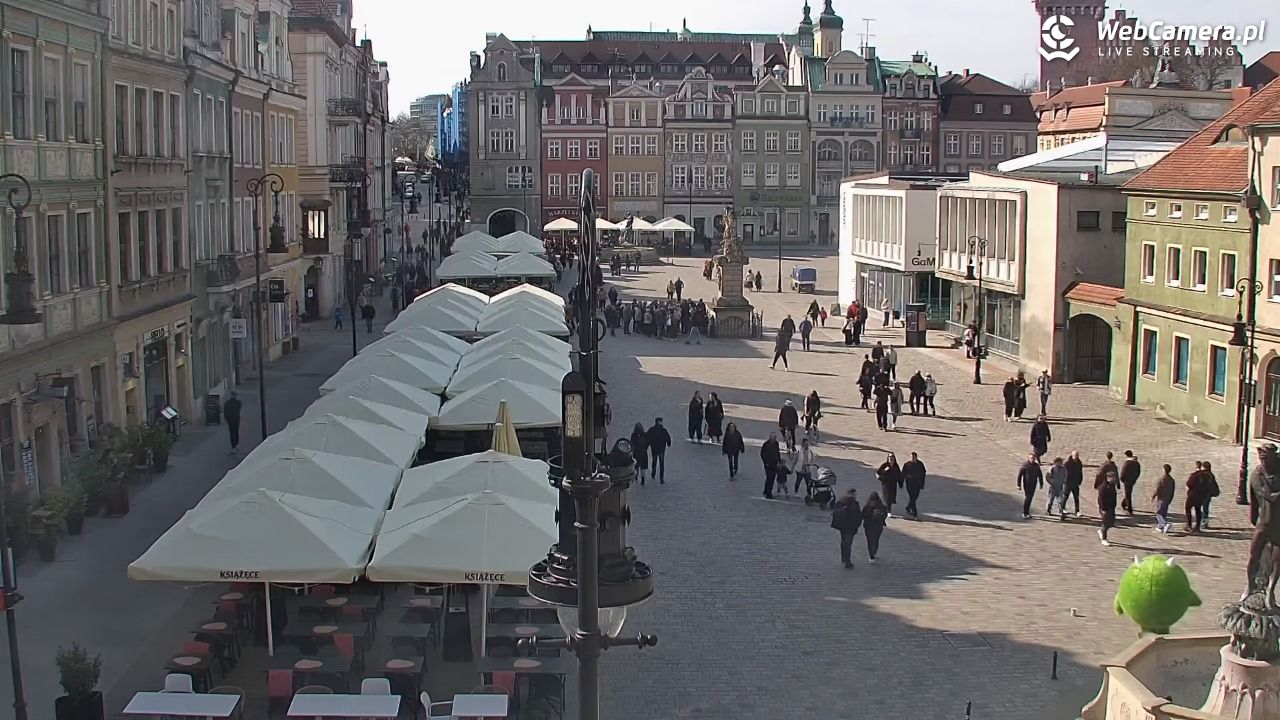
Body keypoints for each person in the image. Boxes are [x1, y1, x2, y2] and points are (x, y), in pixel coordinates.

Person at [831, 488, 863, 569]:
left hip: (842, 526)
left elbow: (835, 512)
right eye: (854, 494)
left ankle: (844, 558)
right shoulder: (854, 504)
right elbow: (858, 515)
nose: (855, 496)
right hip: (850, 527)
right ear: (850, 494)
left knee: (844, 542)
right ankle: (847, 561)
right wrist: (857, 524)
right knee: (848, 543)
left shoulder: (840, 502)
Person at [861, 492, 889, 563]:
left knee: (870, 541)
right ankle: (875, 552)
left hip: (868, 526)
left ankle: (871, 556)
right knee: (876, 540)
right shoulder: (881, 506)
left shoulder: (867, 506)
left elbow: (863, 516)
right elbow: (885, 515)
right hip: (878, 526)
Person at [1096, 469, 1119, 546]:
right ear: (1108, 478)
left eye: (1114, 477)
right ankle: (1104, 539)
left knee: (1111, 522)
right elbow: (1100, 499)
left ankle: (1101, 531)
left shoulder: (1112, 486)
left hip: (1111, 507)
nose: (1114, 479)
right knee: (1105, 523)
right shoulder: (1103, 487)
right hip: (1105, 508)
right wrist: (1103, 509)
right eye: (1112, 477)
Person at [645, 418, 671, 484]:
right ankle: (661, 478)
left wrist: (647, 445)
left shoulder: (652, 430)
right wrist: (668, 443)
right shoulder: (663, 430)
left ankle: (653, 474)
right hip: (661, 449)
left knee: (654, 461)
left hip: (654, 448)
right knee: (661, 463)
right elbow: (668, 438)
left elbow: (647, 438)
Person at [1017, 454, 1043, 519]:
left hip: (1033, 484)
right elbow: (1020, 475)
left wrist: (1041, 483)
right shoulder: (1025, 465)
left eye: (1033, 458)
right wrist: (1018, 485)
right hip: (1027, 484)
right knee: (1028, 498)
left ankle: (1027, 512)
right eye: (1031, 458)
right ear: (1028, 458)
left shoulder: (1036, 466)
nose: (1032, 459)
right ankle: (1025, 513)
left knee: (1030, 498)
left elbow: (1040, 474)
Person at [1152, 463, 1176, 534]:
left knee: (1158, 513)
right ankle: (1160, 527)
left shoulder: (1162, 479)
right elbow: (1173, 490)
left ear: (1164, 470)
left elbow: (1158, 488)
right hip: (1168, 498)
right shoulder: (1171, 480)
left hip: (1161, 498)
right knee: (1164, 513)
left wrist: (1154, 495)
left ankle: (1164, 524)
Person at [902, 452, 927, 519]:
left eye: (913, 457)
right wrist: (901, 482)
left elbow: (923, 473)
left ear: (916, 457)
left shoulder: (920, 464)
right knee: (912, 498)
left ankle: (908, 508)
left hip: (917, 484)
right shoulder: (907, 464)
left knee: (915, 497)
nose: (912, 458)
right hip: (909, 484)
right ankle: (914, 514)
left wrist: (922, 483)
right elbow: (903, 474)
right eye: (911, 457)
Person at [1184, 461, 1206, 532]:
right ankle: (1197, 526)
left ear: (1196, 466)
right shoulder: (1204, 475)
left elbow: (1189, 484)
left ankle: (1189, 525)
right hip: (1200, 495)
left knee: (1188, 508)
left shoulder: (1194, 475)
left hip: (1192, 495)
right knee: (1198, 510)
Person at [1119, 450, 1142, 515]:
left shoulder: (1127, 463)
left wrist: (1122, 479)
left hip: (1127, 481)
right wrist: (1135, 479)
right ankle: (1124, 503)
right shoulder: (1136, 463)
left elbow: (1123, 472)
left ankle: (1129, 509)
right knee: (1128, 493)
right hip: (1132, 480)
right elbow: (1138, 472)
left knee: (1128, 494)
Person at [761, 432, 782, 499]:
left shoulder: (776, 444)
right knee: (769, 477)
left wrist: (779, 461)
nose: (773, 438)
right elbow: (762, 454)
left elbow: (777, 453)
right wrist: (765, 462)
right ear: (770, 437)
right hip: (768, 464)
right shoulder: (766, 444)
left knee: (771, 478)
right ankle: (768, 493)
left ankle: (766, 491)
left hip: (774, 464)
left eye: (774, 437)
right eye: (772, 437)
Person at [1199, 461, 1220, 529]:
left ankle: (1203, 521)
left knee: (1199, 507)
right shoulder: (1211, 475)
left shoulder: (1203, 475)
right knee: (1205, 508)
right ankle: (1204, 522)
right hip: (1207, 494)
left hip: (1203, 494)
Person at [1063, 451, 1084, 515]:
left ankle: (1077, 511)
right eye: (1075, 455)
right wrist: (1065, 480)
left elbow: (1080, 472)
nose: (1076, 456)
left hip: (1075, 483)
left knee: (1076, 497)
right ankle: (1062, 508)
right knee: (1065, 496)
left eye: (1077, 455)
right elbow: (1064, 473)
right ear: (1072, 455)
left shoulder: (1079, 463)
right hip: (1068, 483)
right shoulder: (1067, 463)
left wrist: (1080, 480)